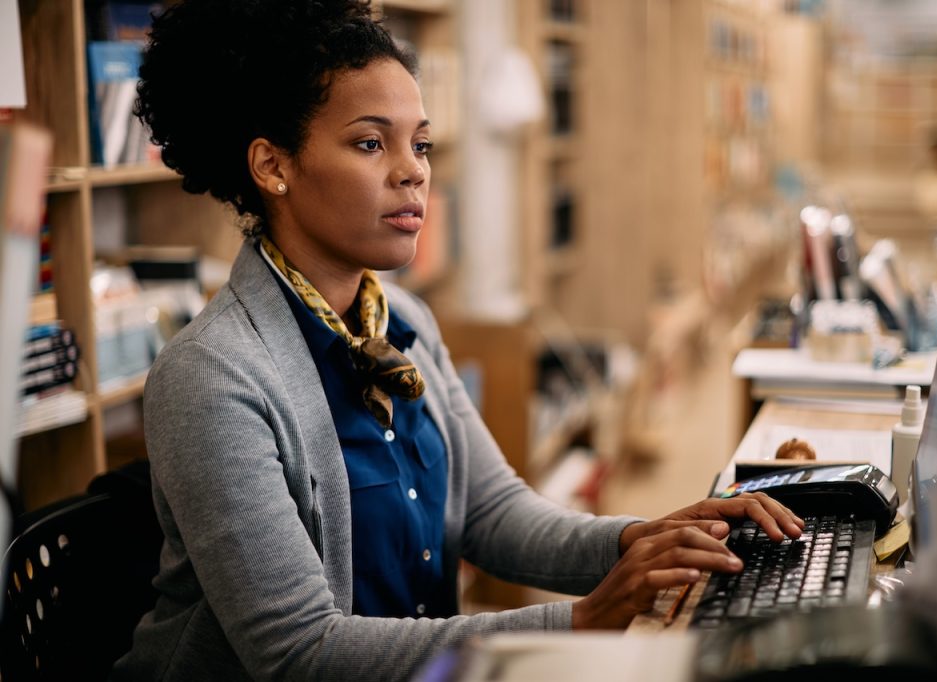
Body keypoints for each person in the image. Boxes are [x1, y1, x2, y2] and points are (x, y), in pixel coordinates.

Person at [114, 1, 804, 680]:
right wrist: (583, 621)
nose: (413, 171)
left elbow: (493, 514)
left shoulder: (404, 322)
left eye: (421, 144)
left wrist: (646, 540)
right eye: (369, 142)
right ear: (273, 166)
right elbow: (299, 653)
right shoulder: (211, 377)